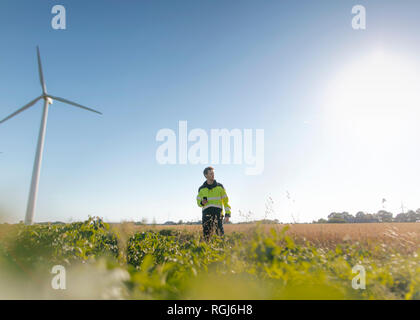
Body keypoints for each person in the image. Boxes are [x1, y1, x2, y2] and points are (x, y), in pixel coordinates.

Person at [196, 166, 231, 241]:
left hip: (218, 214)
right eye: (210, 173)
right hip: (206, 215)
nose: (213, 175)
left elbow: (226, 201)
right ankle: (207, 251)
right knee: (206, 236)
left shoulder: (220, 187)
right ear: (206, 175)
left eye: (213, 173)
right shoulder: (201, 189)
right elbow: (198, 202)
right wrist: (202, 203)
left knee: (220, 234)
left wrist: (227, 214)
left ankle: (222, 250)